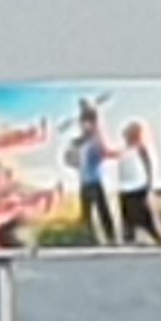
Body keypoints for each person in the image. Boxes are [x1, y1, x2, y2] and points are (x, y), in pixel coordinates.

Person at [65, 98, 119, 247]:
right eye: (83, 124)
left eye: (87, 123)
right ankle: (89, 239)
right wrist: (71, 156)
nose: (84, 125)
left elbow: (101, 144)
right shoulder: (79, 141)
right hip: (84, 182)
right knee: (86, 214)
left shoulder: (94, 137)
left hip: (95, 181)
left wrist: (94, 115)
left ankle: (111, 238)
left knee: (103, 211)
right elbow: (72, 161)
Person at [115, 122, 161, 248]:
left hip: (139, 187)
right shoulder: (124, 150)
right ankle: (129, 239)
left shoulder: (141, 148)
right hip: (125, 189)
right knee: (128, 219)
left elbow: (149, 166)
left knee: (145, 218)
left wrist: (149, 185)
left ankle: (159, 241)